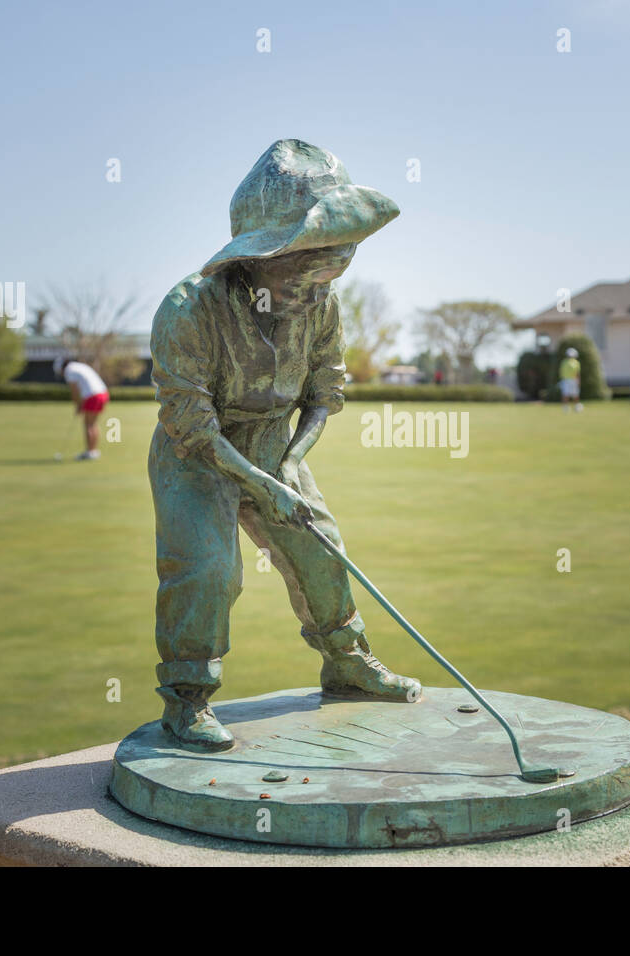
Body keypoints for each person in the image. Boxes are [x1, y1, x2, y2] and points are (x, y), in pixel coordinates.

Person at [147, 139, 420, 750]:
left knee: (323, 548)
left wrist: (290, 464)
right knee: (209, 570)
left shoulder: (322, 306)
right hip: (199, 454)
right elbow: (190, 421)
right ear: (258, 258)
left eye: (335, 264)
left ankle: (346, 663)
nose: (318, 282)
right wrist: (257, 483)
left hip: (274, 445)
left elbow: (326, 390)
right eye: (303, 265)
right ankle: (187, 697)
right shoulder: (190, 307)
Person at [57, 358, 110, 460]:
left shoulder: (69, 371)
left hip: (93, 396)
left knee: (88, 424)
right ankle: (93, 451)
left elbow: (75, 391)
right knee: (93, 424)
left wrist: (78, 406)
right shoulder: (79, 366)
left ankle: (90, 452)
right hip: (103, 393)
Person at [558, 347, 582, 412]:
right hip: (566, 380)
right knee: (566, 394)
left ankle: (576, 406)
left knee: (575, 394)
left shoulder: (575, 362)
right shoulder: (565, 362)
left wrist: (578, 380)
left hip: (572, 380)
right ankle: (566, 407)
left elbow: (577, 373)